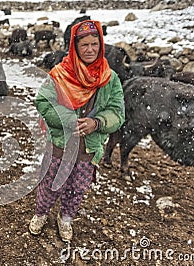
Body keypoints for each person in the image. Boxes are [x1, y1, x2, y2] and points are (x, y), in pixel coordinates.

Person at [29, 20, 125, 242]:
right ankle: (41, 214)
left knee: (77, 188)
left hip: (88, 149)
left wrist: (98, 123)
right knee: (51, 184)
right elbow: (43, 102)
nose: (90, 49)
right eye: (84, 45)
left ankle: (66, 219)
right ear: (75, 47)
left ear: (101, 46)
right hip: (60, 146)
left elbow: (117, 113)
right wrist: (69, 120)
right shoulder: (60, 74)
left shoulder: (110, 79)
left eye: (95, 44)